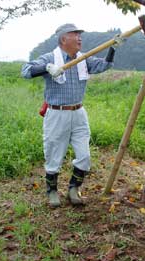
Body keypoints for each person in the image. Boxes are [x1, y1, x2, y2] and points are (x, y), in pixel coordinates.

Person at [21, 23, 117, 208]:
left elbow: (103, 65)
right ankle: (52, 192)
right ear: (64, 38)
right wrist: (47, 68)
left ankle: (74, 188)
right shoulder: (50, 57)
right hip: (57, 113)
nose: (80, 38)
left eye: (80, 35)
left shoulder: (83, 59)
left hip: (79, 113)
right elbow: (25, 71)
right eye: (76, 35)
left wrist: (113, 48)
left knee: (84, 156)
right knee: (53, 155)